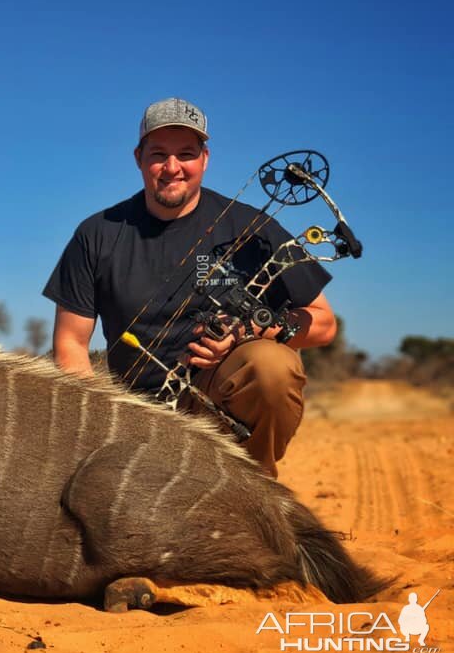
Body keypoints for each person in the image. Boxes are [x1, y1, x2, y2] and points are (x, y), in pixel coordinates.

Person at [43, 97, 337, 478]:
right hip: (136, 414)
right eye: (158, 154)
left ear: (205, 159)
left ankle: (255, 485)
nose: (172, 168)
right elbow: (70, 344)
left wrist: (250, 333)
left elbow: (324, 323)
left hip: (221, 409)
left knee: (271, 366)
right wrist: (100, 424)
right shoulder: (96, 234)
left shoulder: (253, 227)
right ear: (138, 158)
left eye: (186, 153)